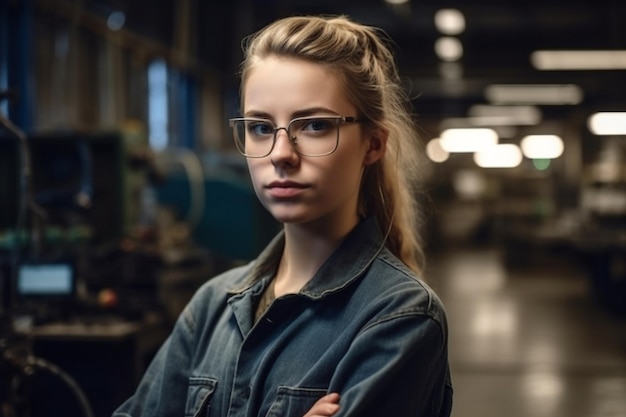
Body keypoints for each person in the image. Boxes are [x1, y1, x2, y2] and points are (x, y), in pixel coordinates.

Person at [112, 14, 452, 417]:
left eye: (313, 125)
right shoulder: (213, 307)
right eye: (260, 127)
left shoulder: (399, 319)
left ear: (372, 145)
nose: (280, 154)